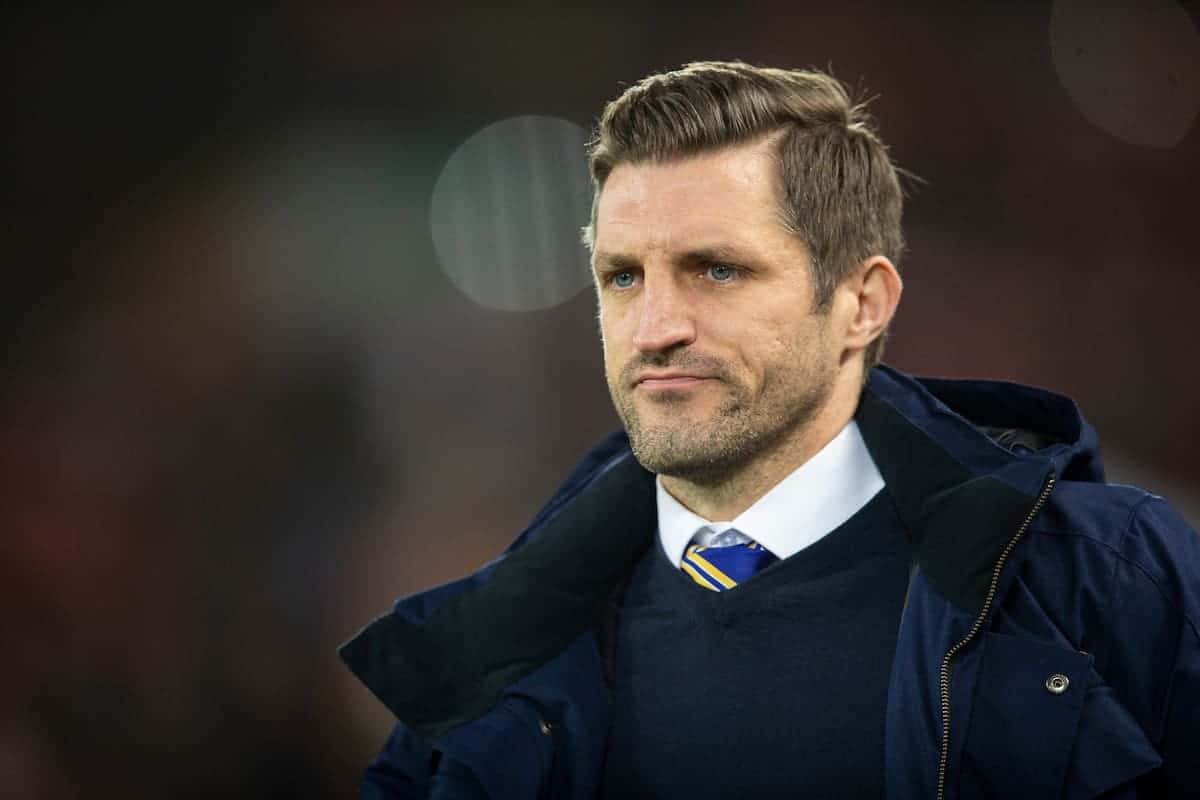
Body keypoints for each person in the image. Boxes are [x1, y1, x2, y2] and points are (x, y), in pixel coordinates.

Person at [340, 61, 1200, 798]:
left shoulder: (1108, 577)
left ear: (863, 303)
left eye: (717, 270)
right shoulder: (490, 654)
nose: (655, 328)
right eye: (624, 277)